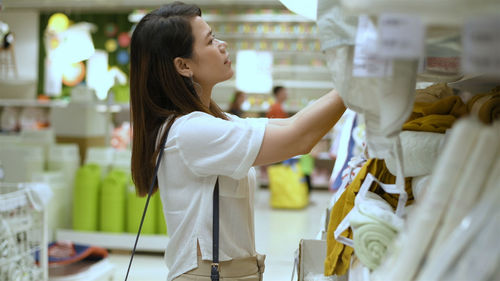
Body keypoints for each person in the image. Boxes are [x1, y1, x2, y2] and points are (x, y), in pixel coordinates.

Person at [129, 2, 345, 281]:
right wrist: (356, 77)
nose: (222, 44)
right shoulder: (191, 132)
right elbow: (299, 138)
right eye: (210, 41)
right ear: (183, 66)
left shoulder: (215, 122)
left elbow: (294, 127)